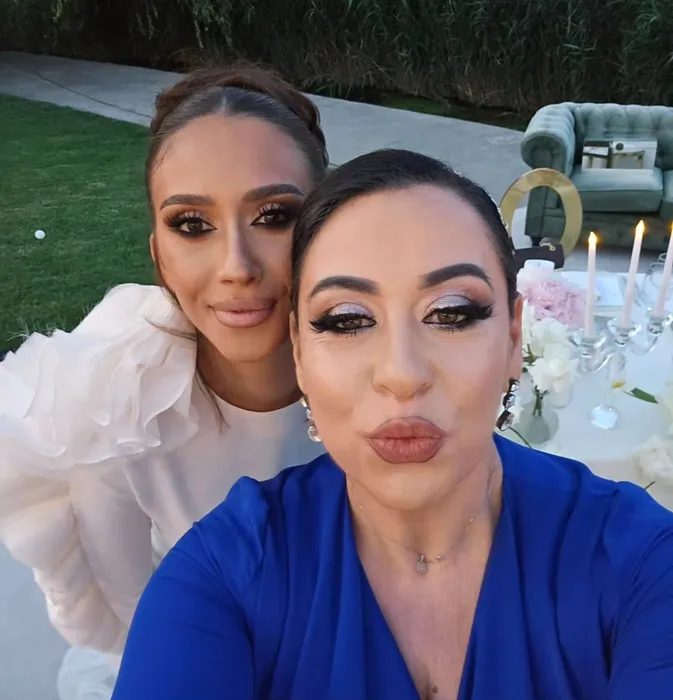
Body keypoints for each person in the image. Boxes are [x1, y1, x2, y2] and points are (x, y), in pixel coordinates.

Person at [112, 149, 673, 700]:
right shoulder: (223, 576)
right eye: (347, 319)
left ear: (512, 337)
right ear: (299, 352)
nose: (402, 374)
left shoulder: (640, 562)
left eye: (451, 313)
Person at [0, 64, 329, 698]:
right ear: (158, 256)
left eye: (273, 215)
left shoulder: (381, 367)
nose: (236, 267)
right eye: (192, 225)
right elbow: (139, 623)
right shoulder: (116, 407)